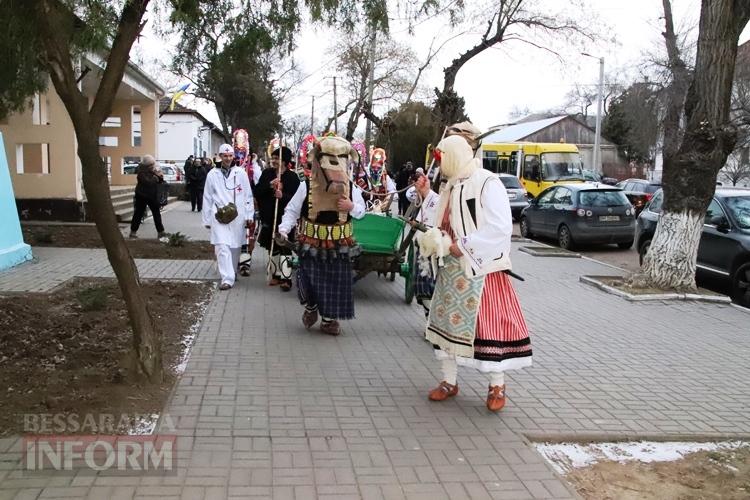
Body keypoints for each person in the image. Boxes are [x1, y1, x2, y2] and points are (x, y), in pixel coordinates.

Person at [423, 130, 532, 412]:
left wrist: (465, 245)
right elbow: (441, 219)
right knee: (445, 327)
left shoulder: (487, 182)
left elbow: (500, 227)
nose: (440, 167)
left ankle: (497, 385)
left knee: (489, 329)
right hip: (451, 271)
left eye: (443, 159)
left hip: (481, 272)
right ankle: (449, 381)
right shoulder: (450, 185)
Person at [277, 135, 366, 336]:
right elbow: (291, 210)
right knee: (308, 280)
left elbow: (361, 212)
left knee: (335, 283)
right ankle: (311, 307)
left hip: (339, 243)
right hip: (311, 242)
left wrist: (351, 206)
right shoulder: (306, 185)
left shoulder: (351, 187)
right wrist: (284, 228)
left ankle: (329, 320)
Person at [202, 144, 254, 290]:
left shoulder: (240, 173)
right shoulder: (212, 174)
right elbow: (207, 197)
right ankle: (227, 278)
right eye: (225, 156)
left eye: (230, 155)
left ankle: (232, 271)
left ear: (234, 156)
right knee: (221, 246)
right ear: (220, 156)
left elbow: (248, 195)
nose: (228, 158)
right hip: (219, 215)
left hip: (238, 215)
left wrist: (249, 214)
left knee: (235, 246)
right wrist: (206, 219)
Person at [254, 146, 301, 291]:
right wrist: (269, 186)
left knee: (284, 246)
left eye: (277, 158)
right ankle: (275, 274)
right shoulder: (267, 173)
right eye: (273, 158)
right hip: (269, 215)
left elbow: (297, 199)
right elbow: (257, 192)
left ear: (285, 161)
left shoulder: (292, 177)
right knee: (272, 246)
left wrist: (283, 196)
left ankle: (286, 278)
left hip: (285, 218)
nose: (274, 161)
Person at [406, 172, 439, 318]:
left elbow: (432, 227)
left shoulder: (436, 201)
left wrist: (418, 225)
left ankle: (431, 320)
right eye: (415, 185)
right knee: (423, 288)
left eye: (417, 184)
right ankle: (428, 319)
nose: (415, 188)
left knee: (427, 286)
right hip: (422, 249)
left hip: (432, 250)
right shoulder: (420, 201)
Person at [129, 155, 166, 239]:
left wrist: (160, 176)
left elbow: (159, 180)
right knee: (138, 214)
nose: (153, 166)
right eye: (152, 164)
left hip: (152, 195)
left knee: (156, 213)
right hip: (141, 195)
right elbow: (148, 182)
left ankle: (161, 232)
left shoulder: (152, 170)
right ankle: (133, 232)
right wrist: (156, 177)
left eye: (153, 164)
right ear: (147, 165)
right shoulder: (141, 172)